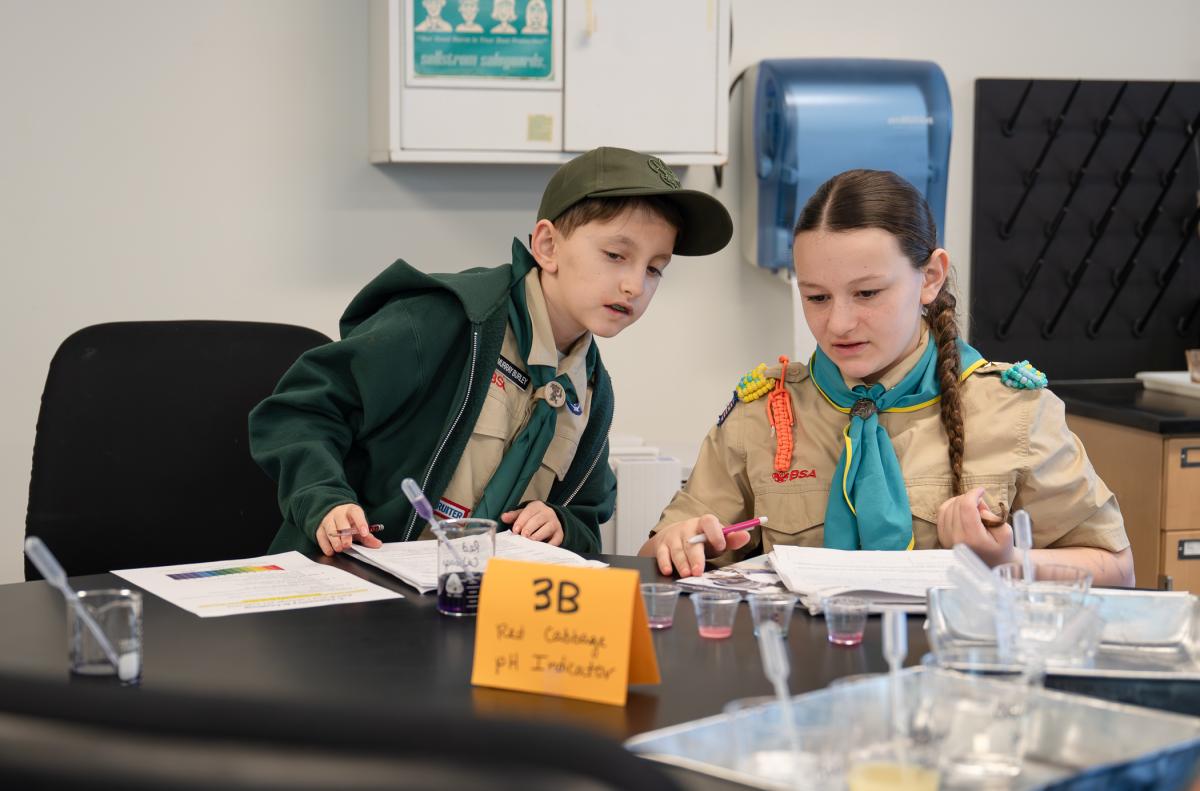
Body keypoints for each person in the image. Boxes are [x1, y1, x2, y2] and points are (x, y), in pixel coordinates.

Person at [639, 169, 1134, 587]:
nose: (837, 324)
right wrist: (679, 545)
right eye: (816, 297)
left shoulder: (1014, 410)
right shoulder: (763, 412)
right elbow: (655, 555)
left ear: (931, 278)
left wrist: (1007, 563)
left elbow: (1116, 567)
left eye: (868, 293)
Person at [251, 147, 733, 557]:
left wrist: (561, 525)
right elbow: (300, 411)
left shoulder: (590, 387)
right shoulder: (447, 322)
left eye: (655, 269)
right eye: (615, 255)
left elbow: (588, 516)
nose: (634, 285)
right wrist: (324, 499)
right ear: (547, 246)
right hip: (354, 585)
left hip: (477, 607)